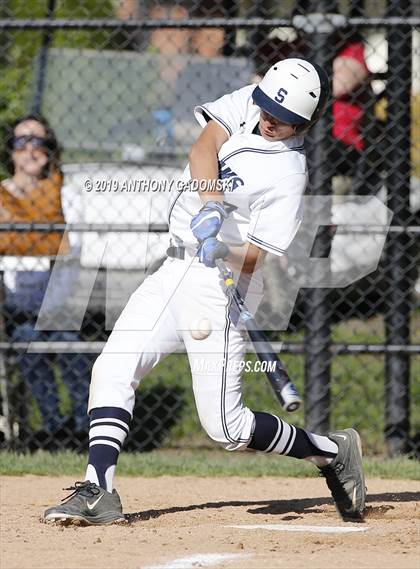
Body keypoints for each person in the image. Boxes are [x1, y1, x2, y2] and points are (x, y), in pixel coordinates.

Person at [43, 58, 366, 524]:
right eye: (268, 109)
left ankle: (330, 450)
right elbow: (203, 147)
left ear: (306, 124)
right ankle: (99, 490)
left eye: (284, 119)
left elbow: (256, 259)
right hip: (172, 269)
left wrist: (223, 251)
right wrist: (213, 207)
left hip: (221, 290)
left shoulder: (290, 175)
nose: (270, 120)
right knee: (112, 368)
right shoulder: (250, 103)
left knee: (226, 428)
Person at [0, 114, 90, 445]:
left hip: (60, 297)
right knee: (27, 341)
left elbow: (71, 250)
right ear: (11, 152)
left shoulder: (66, 193)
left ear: (50, 150)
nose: (30, 149)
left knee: (69, 344)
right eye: (21, 142)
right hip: (17, 301)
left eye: (39, 142)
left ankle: (83, 426)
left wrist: (21, 239)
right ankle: (53, 426)